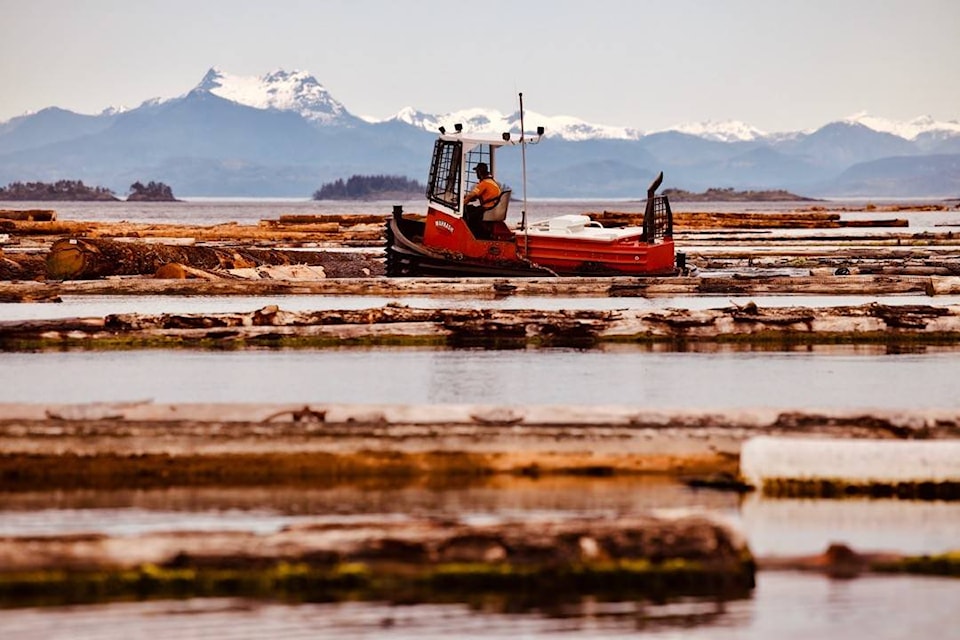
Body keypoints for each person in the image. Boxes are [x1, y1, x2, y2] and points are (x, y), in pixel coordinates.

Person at [463, 162, 501, 237]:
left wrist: (463, 204)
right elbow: (476, 196)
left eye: (477, 172)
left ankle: (479, 236)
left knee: (468, 215)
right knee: (471, 208)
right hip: (492, 207)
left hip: (487, 208)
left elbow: (471, 195)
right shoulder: (491, 181)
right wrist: (469, 198)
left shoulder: (484, 183)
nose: (476, 174)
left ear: (479, 172)